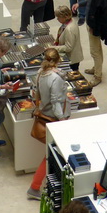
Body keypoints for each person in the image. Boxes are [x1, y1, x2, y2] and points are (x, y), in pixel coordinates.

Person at [26, 47, 70, 200]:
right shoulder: (56, 78)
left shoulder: (40, 72)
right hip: (54, 120)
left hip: (43, 115)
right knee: (50, 155)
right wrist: (63, 121)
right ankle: (34, 187)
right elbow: (56, 103)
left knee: (51, 154)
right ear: (58, 60)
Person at [75, 0, 107, 87]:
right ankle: (97, 68)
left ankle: (98, 75)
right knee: (96, 50)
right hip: (92, 25)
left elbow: (102, 15)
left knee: (95, 51)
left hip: (95, 27)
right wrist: (80, 4)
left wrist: (94, 28)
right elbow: (90, 2)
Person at [53, 6, 84, 72]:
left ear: (65, 16)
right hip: (72, 56)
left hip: (72, 59)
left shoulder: (69, 29)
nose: (57, 19)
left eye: (58, 17)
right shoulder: (69, 22)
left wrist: (54, 48)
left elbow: (68, 47)